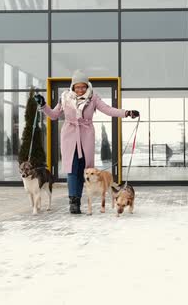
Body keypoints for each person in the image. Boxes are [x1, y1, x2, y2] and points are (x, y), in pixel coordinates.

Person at [34, 70, 139, 214]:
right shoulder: (64, 97)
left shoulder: (93, 98)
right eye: (77, 87)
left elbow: (108, 110)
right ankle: (74, 202)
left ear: (87, 85)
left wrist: (126, 113)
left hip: (86, 136)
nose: (80, 89)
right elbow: (53, 115)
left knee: (84, 172)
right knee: (72, 171)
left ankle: (78, 198)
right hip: (69, 137)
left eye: (83, 86)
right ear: (73, 86)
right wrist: (43, 105)